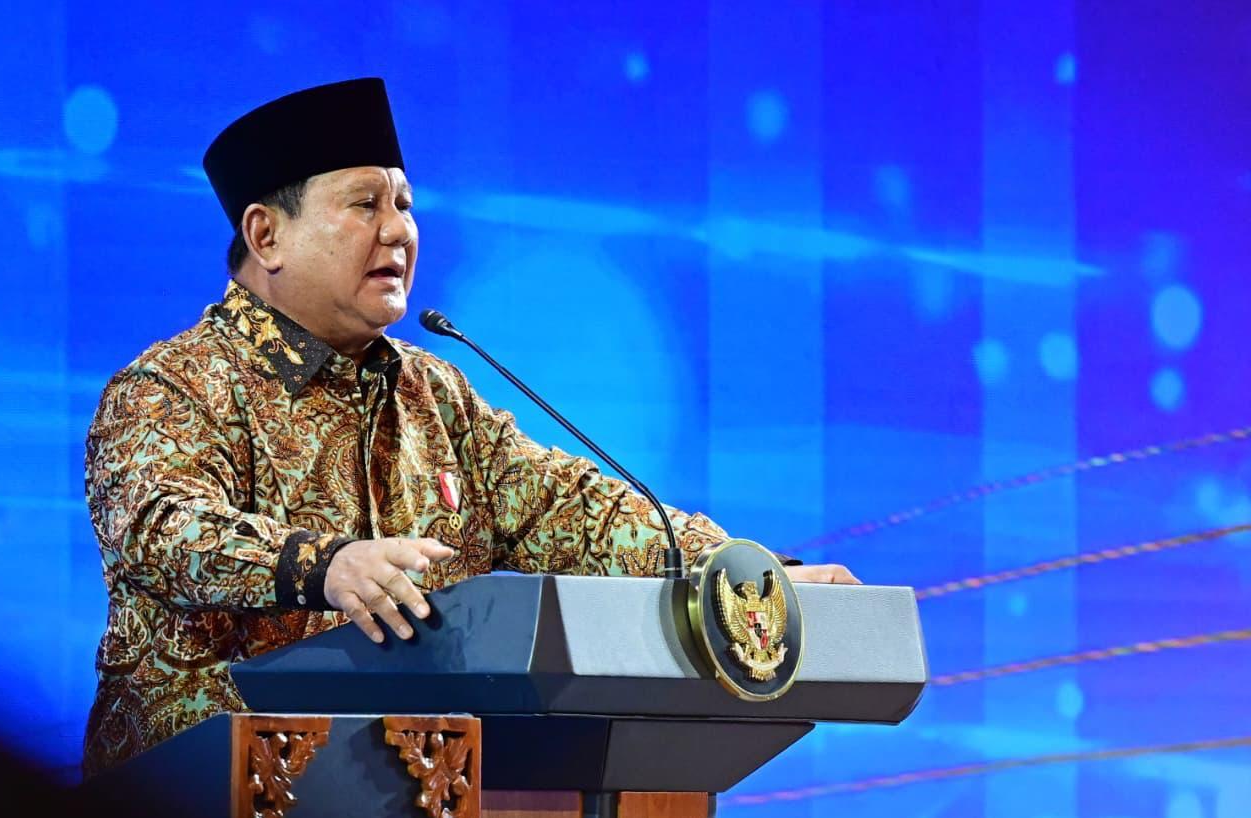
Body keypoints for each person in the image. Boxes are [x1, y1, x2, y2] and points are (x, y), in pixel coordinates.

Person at [81, 78, 858, 777]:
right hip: (196, 801)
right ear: (265, 235)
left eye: (405, 205)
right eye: (364, 204)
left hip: (417, 795)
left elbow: (572, 510)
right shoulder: (173, 386)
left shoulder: (434, 393)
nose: (398, 231)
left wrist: (738, 577)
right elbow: (162, 530)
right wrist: (326, 565)